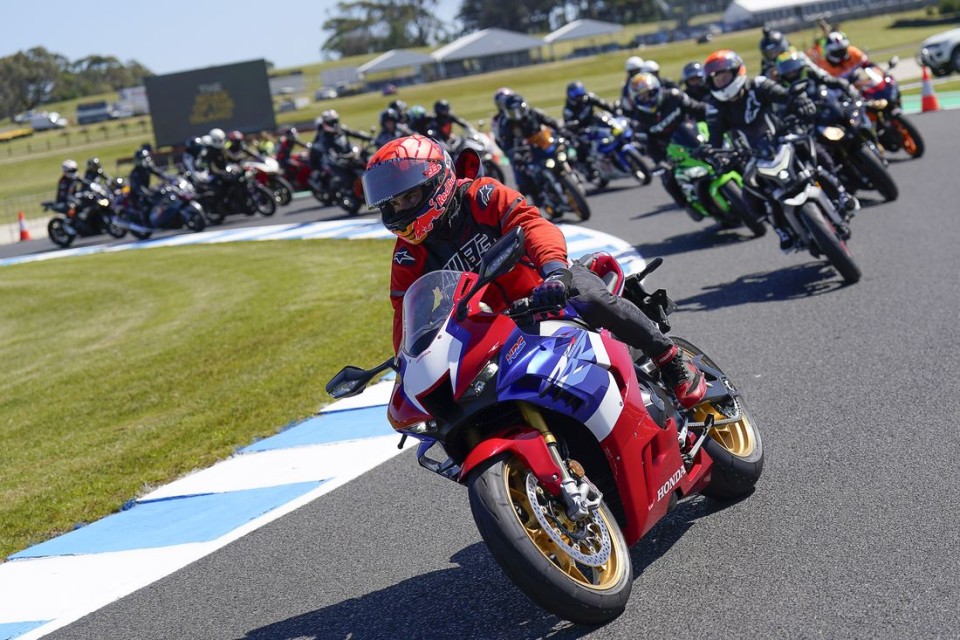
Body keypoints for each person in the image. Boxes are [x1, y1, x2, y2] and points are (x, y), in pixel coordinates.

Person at [361, 134, 706, 409]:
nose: (400, 210)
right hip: (497, 323)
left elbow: (532, 225)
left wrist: (556, 272)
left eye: (408, 198)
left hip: (547, 286)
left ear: (436, 180)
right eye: (392, 204)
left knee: (589, 296)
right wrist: (407, 365)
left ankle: (669, 358)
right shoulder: (409, 253)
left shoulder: (482, 196)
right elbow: (405, 313)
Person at [625, 72, 709, 215]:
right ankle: (686, 205)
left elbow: (699, 109)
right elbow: (651, 147)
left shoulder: (674, 96)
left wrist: (715, 117)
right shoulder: (641, 120)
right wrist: (660, 162)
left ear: (657, 90)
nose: (647, 99)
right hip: (670, 148)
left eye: (649, 94)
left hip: (693, 132)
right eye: (641, 97)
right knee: (667, 178)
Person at [495, 93, 564, 206]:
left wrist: (561, 132)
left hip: (542, 144)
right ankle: (536, 197)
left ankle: (572, 172)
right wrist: (513, 154)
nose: (517, 115)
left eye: (519, 110)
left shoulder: (535, 113)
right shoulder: (506, 124)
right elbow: (506, 144)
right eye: (513, 112)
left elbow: (551, 122)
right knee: (522, 175)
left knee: (562, 151)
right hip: (525, 152)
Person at [562, 81, 617, 179]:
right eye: (576, 95)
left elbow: (603, 104)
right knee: (580, 145)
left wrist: (614, 110)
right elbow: (568, 124)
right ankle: (586, 167)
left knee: (607, 121)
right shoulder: (568, 109)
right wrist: (574, 126)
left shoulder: (589, 97)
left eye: (580, 94)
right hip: (580, 130)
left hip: (593, 123)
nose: (579, 97)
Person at [127, 148, 169, 225]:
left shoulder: (147, 168)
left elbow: (159, 173)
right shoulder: (135, 173)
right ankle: (147, 222)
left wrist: (171, 179)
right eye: (145, 159)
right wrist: (148, 194)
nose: (147, 160)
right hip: (137, 196)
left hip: (146, 191)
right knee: (146, 204)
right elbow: (138, 188)